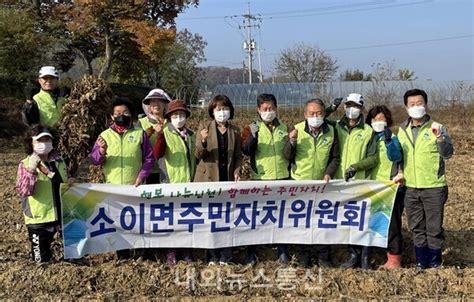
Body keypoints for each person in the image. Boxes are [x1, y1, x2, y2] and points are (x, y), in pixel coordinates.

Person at [90, 97, 154, 259]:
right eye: (117, 113)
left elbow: (149, 158)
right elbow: (95, 160)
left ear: (131, 115)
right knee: (118, 222)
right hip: (114, 188)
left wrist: (141, 176)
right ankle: (123, 255)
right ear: (112, 116)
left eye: (125, 112)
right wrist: (102, 151)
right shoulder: (104, 136)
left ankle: (140, 254)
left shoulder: (140, 134)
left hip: (135, 187)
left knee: (138, 221)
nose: (121, 115)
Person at [397, 89, 453, 269]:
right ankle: (421, 261)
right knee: (416, 227)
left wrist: (440, 139)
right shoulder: (402, 130)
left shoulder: (437, 127)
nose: (416, 107)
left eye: (419, 103)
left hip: (434, 187)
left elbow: (448, 154)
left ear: (426, 104)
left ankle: (435, 262)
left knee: (434, 228)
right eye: (412, 104)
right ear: (406, 107)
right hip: (410, 187)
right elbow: (399, 156)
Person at [283, 99, 340, 268]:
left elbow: (335, 157)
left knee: (322, 220)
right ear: (305, 114)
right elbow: (286, 155)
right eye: (312, 113)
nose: (315, 117)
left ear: (324, 114)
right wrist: (291, 141)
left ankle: (323, 255)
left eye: (319, 113)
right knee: (302, 221)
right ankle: (303, 255)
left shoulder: (331, 131)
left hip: (322, 184)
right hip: (300, 183)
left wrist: (329, 173)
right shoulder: (298, 129)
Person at [241, 93, 290, 265]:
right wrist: (253, 137)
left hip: (282, 177)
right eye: (265, 109)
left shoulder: (284, 127)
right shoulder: (252, 127)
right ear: (258, 110)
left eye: (271, 108)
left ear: (276, 108)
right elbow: (246, 150)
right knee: (257, 215)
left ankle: (282, 251)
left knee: (281, 215)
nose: (268, 111)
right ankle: (252, 252)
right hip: (261, 178)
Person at [332, 93, 378, 270]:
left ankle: (365, 256)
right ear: (344, 107)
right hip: (339, 183)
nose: (352, 109)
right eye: (349, 105)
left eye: (356, 106)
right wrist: (331, 107)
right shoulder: (336, 127)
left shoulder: (368, 131)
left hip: (359, 183)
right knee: (346, 222)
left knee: (362, 222)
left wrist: (356, 167)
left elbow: (373, 158)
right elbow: (318, 116)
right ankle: (353, 255)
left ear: (362, 109)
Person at [194, 95, 242, 265]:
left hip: (226, 178)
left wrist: (237, 171)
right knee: (211, 218)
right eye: (218, 109)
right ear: (212, 112)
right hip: (207, 179)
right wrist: (204, 140)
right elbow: (198, 154)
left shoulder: (235, 130)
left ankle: (226, 256)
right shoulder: (204, 127)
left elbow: (237, 156)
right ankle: (211, 256)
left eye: (225, 109)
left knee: (226, 218)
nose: (222, 112)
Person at [16, 125, 69, 263]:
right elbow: (24, 191)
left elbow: (64, 185)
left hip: (63, 217)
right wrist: (31, 170)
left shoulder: (60, 161)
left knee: (71, 259)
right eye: (39, 141)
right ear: (31, 143)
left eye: (47, 139)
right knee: (42, 262)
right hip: (39, 220)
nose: (44, 144)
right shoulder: (25, 164)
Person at [153, 99, 196, 266]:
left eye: (182, 114)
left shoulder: (191, 135)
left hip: (189, 183)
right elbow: (157, 154)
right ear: (170, 117)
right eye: (175, 115)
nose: (179, 117)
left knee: (187, 219)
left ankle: (187, 252)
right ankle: (171, 252)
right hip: (171, 183)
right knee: (171, 219)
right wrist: (159, 137)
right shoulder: (164, 132)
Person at [366, 105, 405, 269]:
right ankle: (373, 254)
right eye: (374, 120)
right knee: (373, 221)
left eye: (381, 119)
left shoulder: (393, 137)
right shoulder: (369, 138)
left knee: (392, 223)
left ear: (388, 121)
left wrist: (389, 141)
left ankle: (394, 258)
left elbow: (396, 155)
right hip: (372, 187)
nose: (378, 122)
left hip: (390, 187)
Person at [138, 88, 171, 184]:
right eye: (153, 101)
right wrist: (147, 134)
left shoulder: (171, 123)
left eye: (160, 101)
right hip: (147, 170)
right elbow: (135, 144)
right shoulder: (141, 122)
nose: (156, 104)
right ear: (148, 105)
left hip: (167, 170)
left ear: (165, 104)